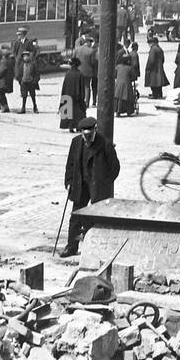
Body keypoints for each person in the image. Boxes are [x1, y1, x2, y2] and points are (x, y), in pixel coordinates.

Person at [60, 116, 121, 254]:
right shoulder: (76, 142)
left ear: (95, 130)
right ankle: (71, 246)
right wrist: (69, 182)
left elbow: (115, 168)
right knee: (76, 214)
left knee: (96, 217)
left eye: (90, 135)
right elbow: (70, 165)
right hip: (80, 184)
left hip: (96, 186)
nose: (87, 139)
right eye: (84, 135)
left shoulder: (105, 144)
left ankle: (94, 248)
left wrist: (104, 183)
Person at [60, 57, 87, 129]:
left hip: (68, 95)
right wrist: (82, 97)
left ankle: (70, 126)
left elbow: (64, 86)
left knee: (69, 112)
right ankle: (78, 126)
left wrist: (63, 97)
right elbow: (82, 88)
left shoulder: (68, 74)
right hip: (77, 96)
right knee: (78, 113)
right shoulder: (80, 74)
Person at [74, 32, 97, 105]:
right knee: (87, 87)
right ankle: (86, 103)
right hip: (88, 72)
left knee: (79, 86)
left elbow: (73, 59)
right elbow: (93, 62)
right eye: (91, 42)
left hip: (78, 71)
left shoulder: (78, 49)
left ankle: (79, 100)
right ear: (88, 42)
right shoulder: (91, 51)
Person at [0, 47, 15, 112]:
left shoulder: (4, 61)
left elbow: (3, 69)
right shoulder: (10, 60)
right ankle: (3, 106)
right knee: (1, 93)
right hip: (8, 79)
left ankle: (5, 107)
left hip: (3, 80)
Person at [17, 48, 40, 113]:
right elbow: (19, 73)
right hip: (24, 82)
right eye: (24, 56)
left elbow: (37, 74)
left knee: (33, 95)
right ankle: (23, 108)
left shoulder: (33, 64)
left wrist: (34, 81)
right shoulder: (21, 65)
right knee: (24, 96)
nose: (25, 57)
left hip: (31, 82)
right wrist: (20, 80)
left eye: (27, 56)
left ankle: (35, 107)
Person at [114, 52, 136, 116]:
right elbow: (134, 77)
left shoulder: (118, 67)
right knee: (127, 98)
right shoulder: (130, 68)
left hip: (118, 84)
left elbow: (114, 75)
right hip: (127, 85)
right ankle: (129, 112)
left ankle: (118, 111)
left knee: (118, 98)